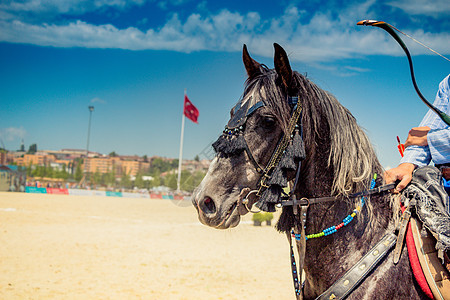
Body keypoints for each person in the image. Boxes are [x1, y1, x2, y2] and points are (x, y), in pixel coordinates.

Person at [385, 74, 450, 193]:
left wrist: (431, 138)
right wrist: (407, 165)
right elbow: (425, 131)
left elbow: (424, 136)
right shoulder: (448, 83)